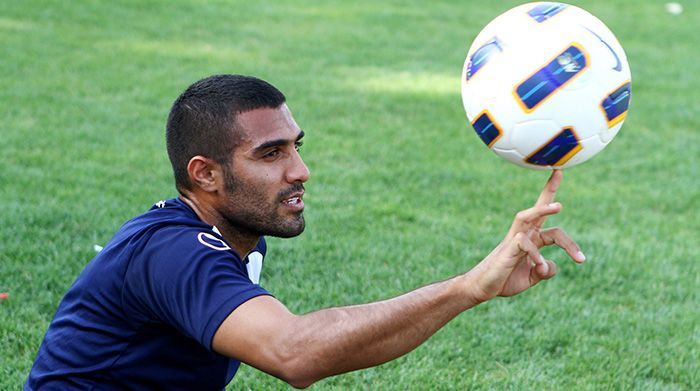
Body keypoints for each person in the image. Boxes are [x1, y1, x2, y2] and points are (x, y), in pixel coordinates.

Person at [26, 74, 586, 390]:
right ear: (205, 174)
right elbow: (296, 354)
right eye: (271, 153)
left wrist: (468, 291)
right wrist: (468, 287)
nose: (300, 170)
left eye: (296, 145)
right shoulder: (173, 251)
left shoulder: (235, 232)